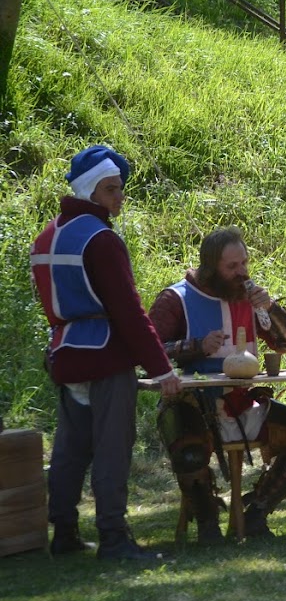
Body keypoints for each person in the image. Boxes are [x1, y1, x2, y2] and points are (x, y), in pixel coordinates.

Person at [29, 145, 181, 560]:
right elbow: (128, 311)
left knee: (71, 448)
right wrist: (162, 369)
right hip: (105, 356)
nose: (120, 197)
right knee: (113, 448)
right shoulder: (101, 239)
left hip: (65, 353)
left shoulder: (47, 236)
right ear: (90, 191)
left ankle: (64, 532)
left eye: (119, 188)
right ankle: (113, 536)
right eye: (111, 189)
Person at [151, 227, 286, 541]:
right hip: (191, 403)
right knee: (190, 455)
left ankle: (255, 514)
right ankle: (208, 524)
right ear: (211, 267)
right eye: (232, 266)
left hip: (241, 403)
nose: (242, 272)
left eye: (244, 263)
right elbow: (149, 349)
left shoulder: (249, 299)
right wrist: (195, 346)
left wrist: (270, 308)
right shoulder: (176, 298)